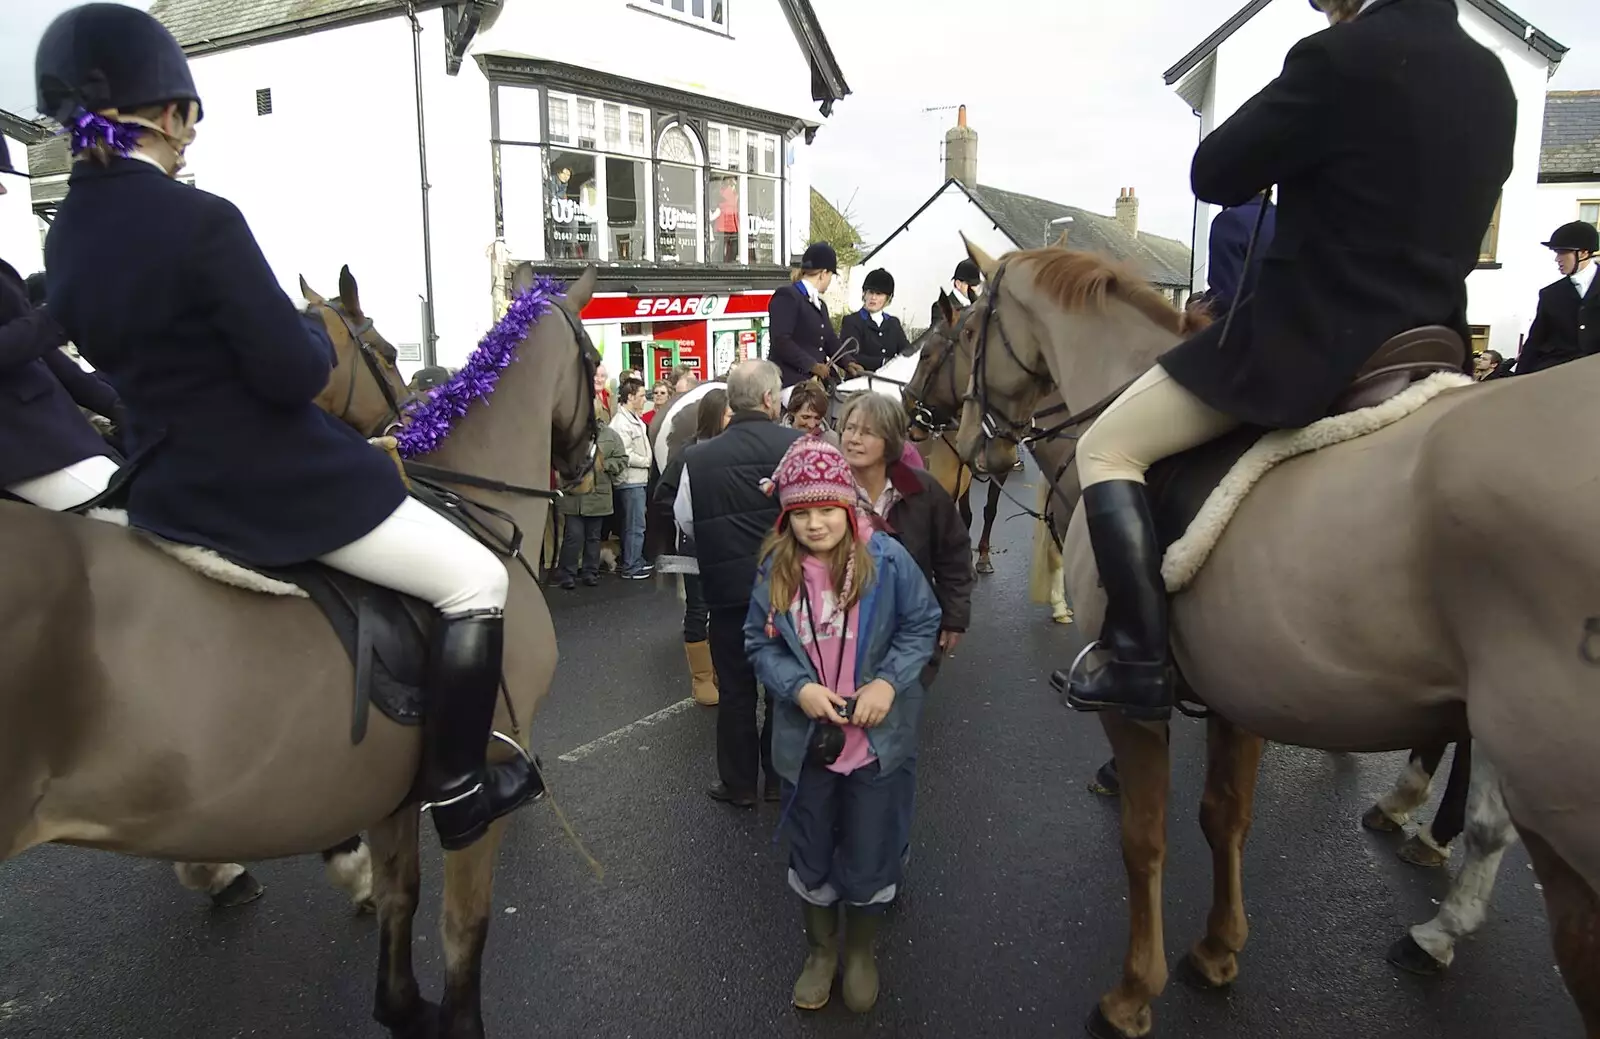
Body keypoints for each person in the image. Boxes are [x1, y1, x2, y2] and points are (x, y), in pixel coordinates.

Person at [35, 2, 539, 849]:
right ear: (170, 113)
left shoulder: (67, 238)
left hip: (161, 485)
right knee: (474, 581)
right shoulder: (202, 220)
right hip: (273, 485)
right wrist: (311, 330)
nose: (190, 134)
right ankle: (457, 790)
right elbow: (294, 372)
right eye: (187, 118)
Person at [1057, 0, 1516, 720]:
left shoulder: (1338, 56)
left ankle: (1138, 657)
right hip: (1434, 345)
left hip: (1313, 340)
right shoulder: (1493, 79)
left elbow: (1216, 171)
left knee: (1107, 444)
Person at [743, 436, 940, 1014]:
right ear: (787, 517)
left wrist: (887, 683)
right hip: (810, 746)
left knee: (870, 847)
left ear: (849, 507)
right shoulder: (777, 570)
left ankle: (859, 951)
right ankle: (820, 951)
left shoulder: (889, 560)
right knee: (812, 847)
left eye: (827, 510)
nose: (815, 524)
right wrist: (797, 687)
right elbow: (759, 642)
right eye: (801, 514)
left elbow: (922, 623)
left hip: (877, 748)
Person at [672, 360, 801, 805]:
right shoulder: (800, 445)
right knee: (784, 689)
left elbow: (686, 520)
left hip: (726, 594)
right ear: (769, 400)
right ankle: (780, 778)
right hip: (786, 590)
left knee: (735, 690)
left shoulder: (698, 456)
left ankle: (739, 783)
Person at [837, 392, 972, 686]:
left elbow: (954, 555)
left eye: (868, 432)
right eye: (850, 428)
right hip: (837, 634)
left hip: (906, 634)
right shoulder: (826, 490)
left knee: (893, 719)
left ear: (890, 441)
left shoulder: (922, 490)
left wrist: (954, 618)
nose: (854, 438)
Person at [0, 249, 123, 510]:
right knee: (136, 519)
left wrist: (115, 405)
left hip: (49, 430)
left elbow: (40, 355)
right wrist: (57, 315)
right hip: (24, 442)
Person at [655, 387, 730, 707]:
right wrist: (693, 512)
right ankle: (701, 676)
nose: (733, 419)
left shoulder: (733, 448)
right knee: (698, 608)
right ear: (715, 416)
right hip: (694, 543)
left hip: (728, 543)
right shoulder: (687, 454)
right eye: (729, 414)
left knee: (725, 607)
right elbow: (662, 496)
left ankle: (722, 669)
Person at [1507, 221, 1599, 376]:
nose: (1557, 259)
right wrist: (1519, 381)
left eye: (1562, 252)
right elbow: (1535, 342)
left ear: (1583, 253)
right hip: (1559, 377)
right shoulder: (1550, 294)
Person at [555, 421, 625, 589]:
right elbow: (557, 459)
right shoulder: (568, 434)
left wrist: (605, 465)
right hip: (574, 496)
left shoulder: (610, 435)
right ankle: (567, 574)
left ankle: (590, 572)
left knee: (593, 538)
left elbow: (622, 459)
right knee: (573, 537)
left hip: (598, 496)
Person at [769, 243, 843, 389]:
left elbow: (829, 340)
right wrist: (811, 365)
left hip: (817, 381)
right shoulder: (787, 296)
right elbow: (781, 340)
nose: (829, 281)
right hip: (790, 381)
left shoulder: (820, 305)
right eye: (831, 276)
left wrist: (849, 363)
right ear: (824, 273)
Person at [1200, 193, 1276, 318]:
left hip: (1251, 331)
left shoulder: (1230, 221)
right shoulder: (1292, 221)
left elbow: (1225, 298)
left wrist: (1197, 310)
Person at [609, 376, 653, 579]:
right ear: (630, 397)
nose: (645, 399)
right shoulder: (621, 423)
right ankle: (631, 565)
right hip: (630, 481)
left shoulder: (632, 418)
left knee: (635, 523)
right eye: (642, 396)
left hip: (637, 480)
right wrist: (646, 461)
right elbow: (624, 454)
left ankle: (635, 559)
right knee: (635, 525)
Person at [839, 269, 910, 373]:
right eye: (870, 292)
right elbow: (851, 355)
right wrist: (884, 362)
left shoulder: (893, 323)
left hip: (890, 380)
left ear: (888, 298)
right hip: (860, 380)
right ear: (864, 294)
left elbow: (906, 352)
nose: (873, 297)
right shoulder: (852, 321)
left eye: (879, 294)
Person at [783, 380, 838, 446]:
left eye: (817, 418)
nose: (811, 425)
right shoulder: (777, 438)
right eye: (806, 417)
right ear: (792, 412)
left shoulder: (833, 441)